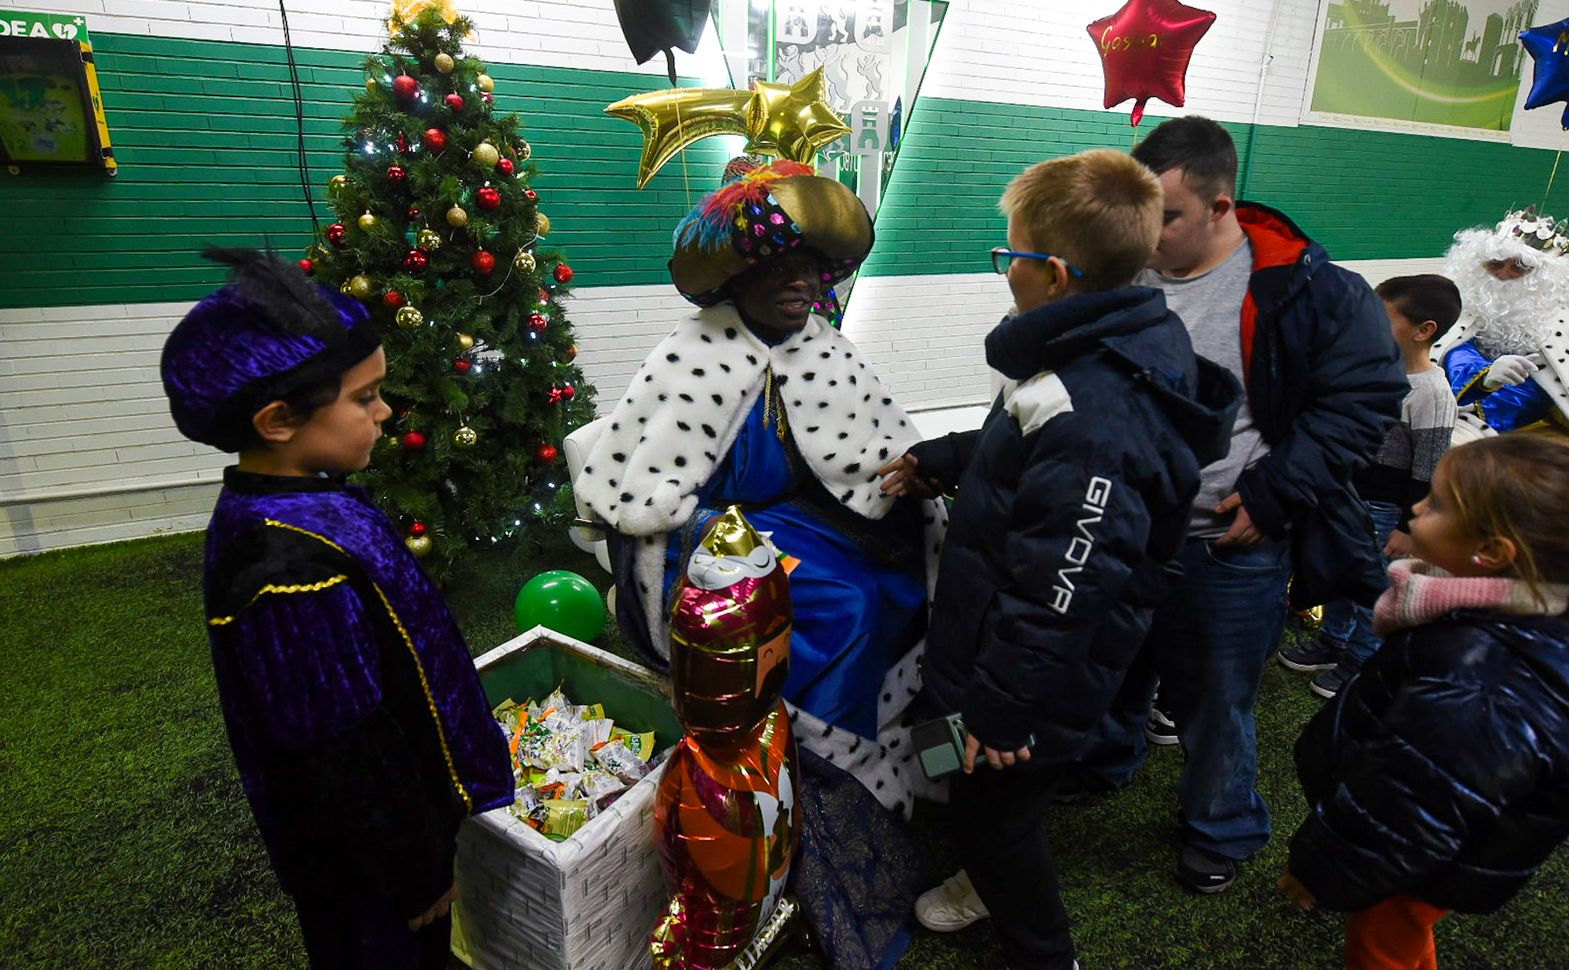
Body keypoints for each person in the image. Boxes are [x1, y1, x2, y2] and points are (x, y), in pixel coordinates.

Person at [575, 160, 944, 967]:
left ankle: (884, 761)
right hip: (716, 537)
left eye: (809, 270)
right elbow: (645, 496)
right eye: (778, 269)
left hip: (814, 522)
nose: (797, 286)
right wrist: (717, 536)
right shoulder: (691, 356)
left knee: (895, 583)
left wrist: (914, 490)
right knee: (839, 604)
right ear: (740, 274)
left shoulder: (825, 349)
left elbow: (869, 451)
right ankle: (807, 775)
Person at [881, 150, 1240, 969]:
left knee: (997, 815)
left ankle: (1039, 948)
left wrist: (1007, 715)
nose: (1003, 271)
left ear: (1052, 275)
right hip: (992, 655)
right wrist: (946, 456)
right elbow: (1027, 443)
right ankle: (971, 844)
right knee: (957, 766)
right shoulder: (1102, 344)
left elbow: (1064, 590)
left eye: (1009, 258)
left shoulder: (1095, 415)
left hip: (1028, 683)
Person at [159, 248, 514, 969]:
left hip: (398, 838)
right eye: (364, 398)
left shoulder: (312, 498)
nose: (385, 412)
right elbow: (343, 748)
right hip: (372, 873)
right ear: (278, 419)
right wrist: (414, 869)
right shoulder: (286, 576)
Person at [1084, 116, 1408, 895]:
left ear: (1222, 204)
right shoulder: (1125, 271)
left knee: (1217, 697)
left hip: (1227, 541)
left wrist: (1275, 492)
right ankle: (1107, 760)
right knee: (1115, 662)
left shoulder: (1308, 288)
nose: (1149, 233)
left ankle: (1222, 826)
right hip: (1124, 526)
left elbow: (1366, 399)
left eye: (1166, 216)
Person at [1279, 434, 1569, 970]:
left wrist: (1321, 870)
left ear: (1493, 552)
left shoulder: (1487, 679)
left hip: (1421, 860)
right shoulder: (1536, 625)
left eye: (1437, 503)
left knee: (1384, 944)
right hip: (1447, 847)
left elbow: (1409, 803)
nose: (1417, 506)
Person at [1278, 275, 1460, 698]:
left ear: (1423, 330)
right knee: (1343, 571)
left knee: (1370, 586)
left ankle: (1362, 660)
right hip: (1348, 498)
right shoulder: (1374, 373)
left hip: (1385, 510)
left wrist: (1408, 526)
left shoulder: (1432, 392)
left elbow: (1430, 468)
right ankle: (1334, 641)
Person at [1436, 206, 1569, 452]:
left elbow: (1568, 375)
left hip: (1524, 389)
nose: (1504, 274)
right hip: (1465, 384)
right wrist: (1485, 375)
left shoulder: (1556, 317)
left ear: (1539, 275)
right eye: (1496, 264)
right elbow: (1452, 349)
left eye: (1518, 268)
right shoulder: (1468, 303)